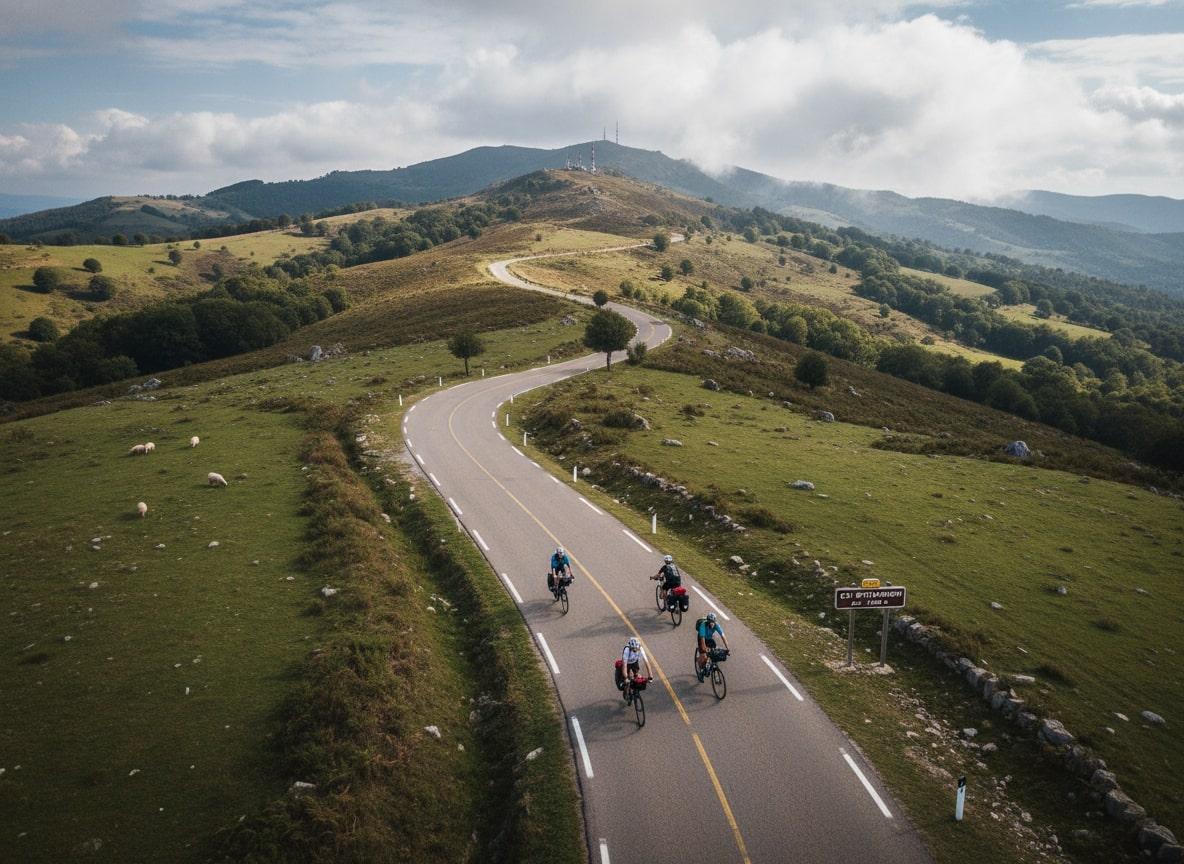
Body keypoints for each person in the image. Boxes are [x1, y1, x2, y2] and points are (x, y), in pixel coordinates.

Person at [695, 611, 730, 676]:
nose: (712, 624)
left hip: (709, 638)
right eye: (710, 622)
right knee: (704, 656)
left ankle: (710, 664)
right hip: (701, 638)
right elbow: (702, 640)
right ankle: (699, 662)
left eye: (713, 622)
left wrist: (727, 648)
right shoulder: (703, 626)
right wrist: (704, 649)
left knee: (714, 652)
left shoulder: (716, 625)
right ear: (708, 622)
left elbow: (723, 636)